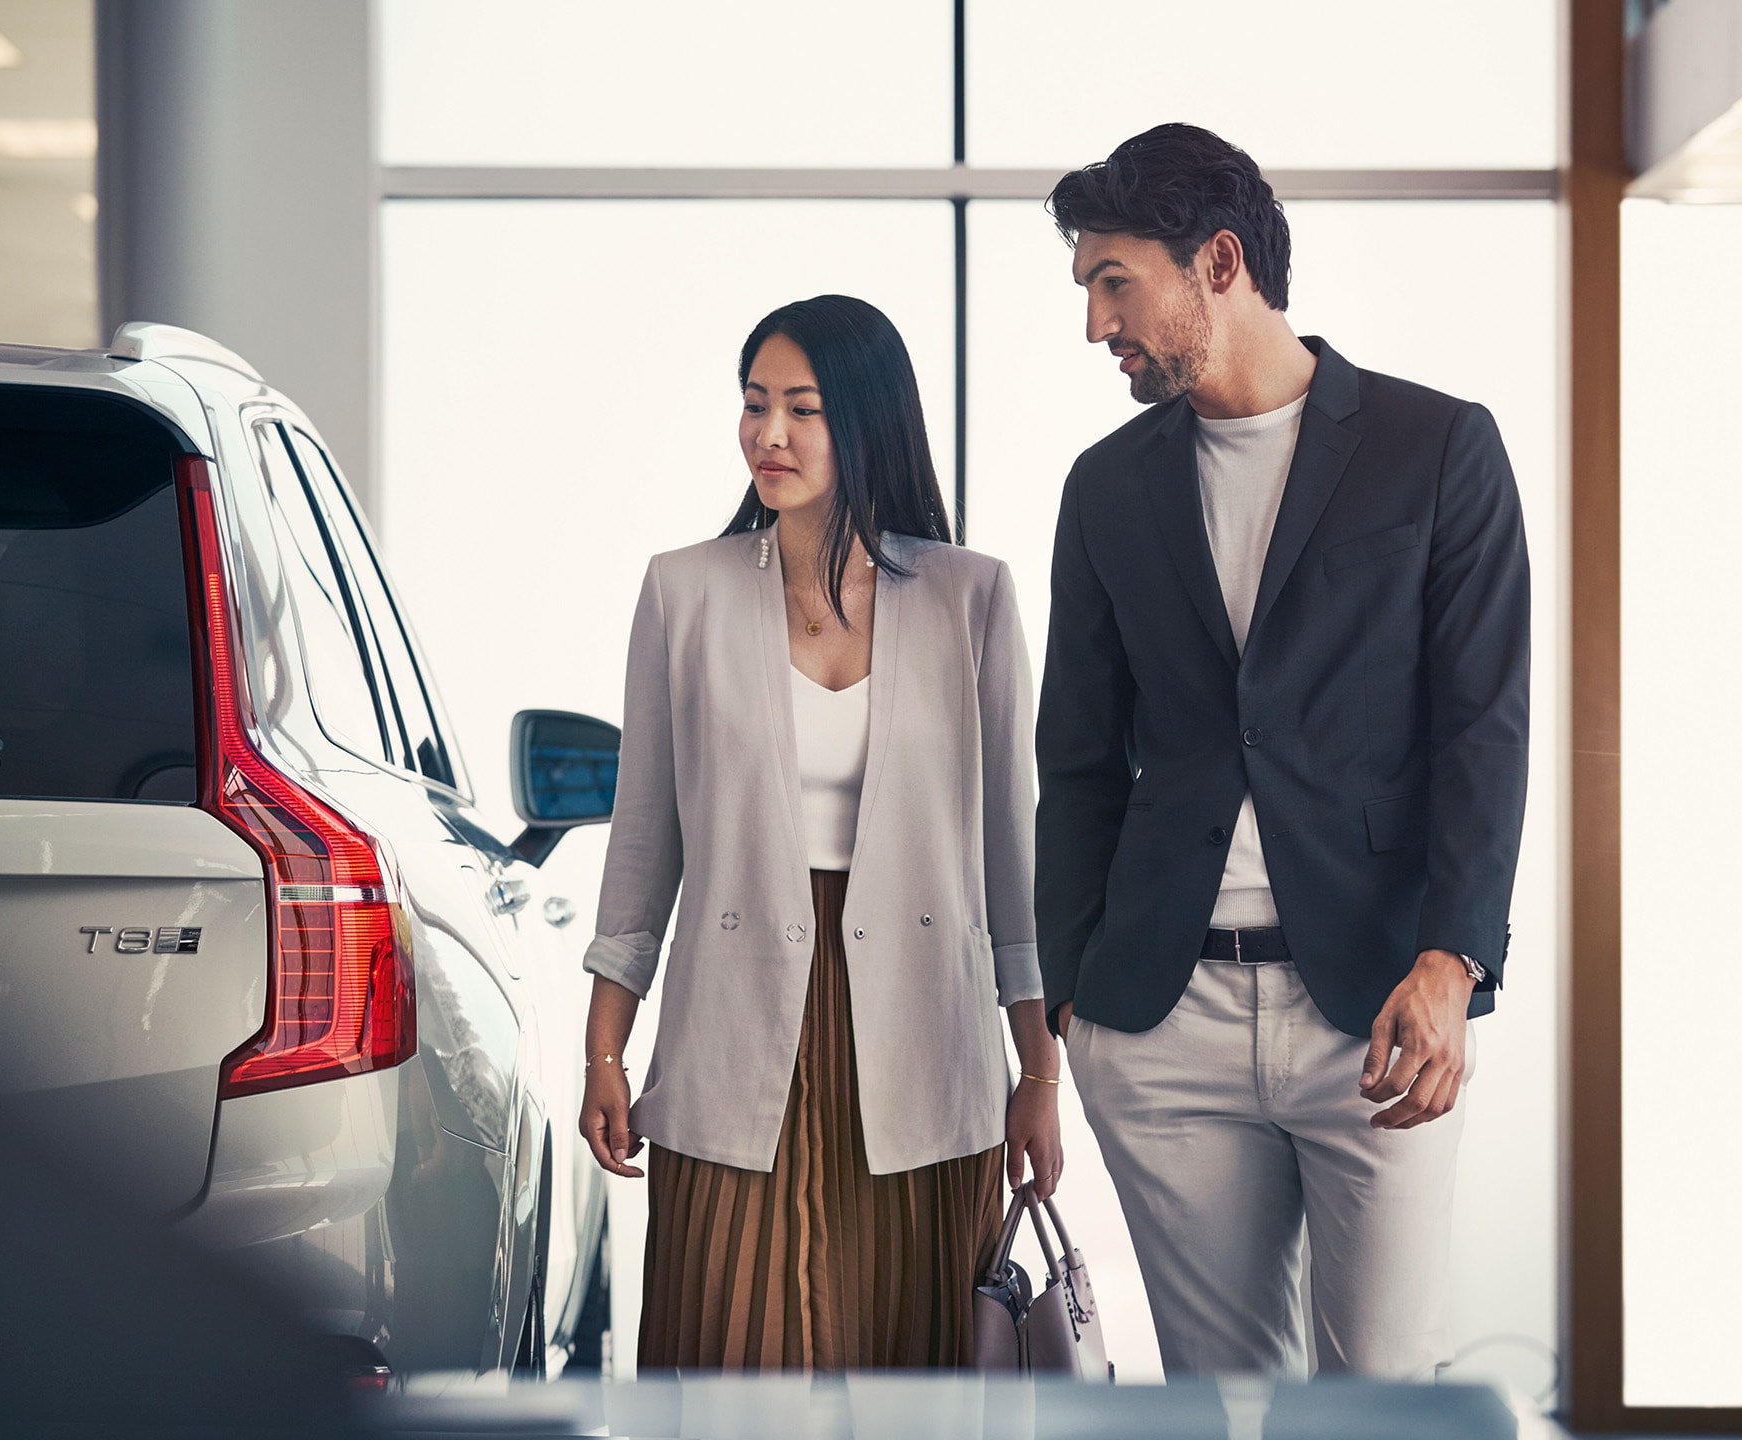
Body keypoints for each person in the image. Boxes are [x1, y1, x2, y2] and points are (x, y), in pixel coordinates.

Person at [1034, 124, 1530, 1379]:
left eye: (1113, 282)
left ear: (1219, 260)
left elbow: (1486, 725)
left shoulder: (1438, 449)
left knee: (1381, 1395)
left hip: (1373, 1011)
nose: (1097, 325)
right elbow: (1078, 757)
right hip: (1164, 1015)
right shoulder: (1105, 488)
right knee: (1222, 1405)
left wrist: (1454, 958)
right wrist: (1073, 992)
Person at [579, 294, 1062, 1371]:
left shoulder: (970, 597)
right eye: (754, 405)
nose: (770, 434)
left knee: (915, 1373)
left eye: (802, 408)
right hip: (735, 1027)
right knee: (732, 1365)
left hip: (925, 1042)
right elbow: (643, 843)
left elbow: (1009, 864)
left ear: (868, 420)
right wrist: (606, 1047)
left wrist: (1038, 1076)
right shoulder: (684, 591)